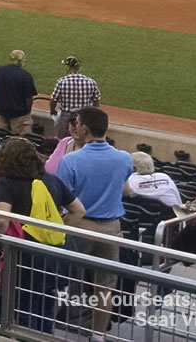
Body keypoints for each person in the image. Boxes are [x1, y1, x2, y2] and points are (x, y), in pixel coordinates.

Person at [55, 106, 134, 341]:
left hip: (80, 227)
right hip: (111, 229)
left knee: (64, 280)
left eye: (77, 123)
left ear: (85, 128)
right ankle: (97, 336)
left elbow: (61, 199)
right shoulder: (124, 158)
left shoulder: (70, 160)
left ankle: (48, 324)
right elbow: (125, 188)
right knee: (105, 287)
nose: (75, 126)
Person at [0, 136, 83, 335]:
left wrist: (0, 240)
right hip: (54, 255)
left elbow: (1, 220)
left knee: (24, 306)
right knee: (46, 303)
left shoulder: (8, 183)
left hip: (25, 255)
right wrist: (56, 230)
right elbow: (79, 210)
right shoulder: (51, 179)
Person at [0, 49, 38, 137]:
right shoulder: (25, 76)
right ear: (20, 61)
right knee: (21, 143)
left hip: (2, 112)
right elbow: (29, 98)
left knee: (0, 139)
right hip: (20, 116)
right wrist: (27, 112)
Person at [50, 56, 100, 134]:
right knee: (83, 140)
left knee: (64, 141)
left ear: (68, 68)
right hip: (84, 118)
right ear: (79, 68)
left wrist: (52, 111)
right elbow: (96, 100)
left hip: (66, 117)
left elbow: (53, 100)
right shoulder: (91, 82)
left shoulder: (62, 82)